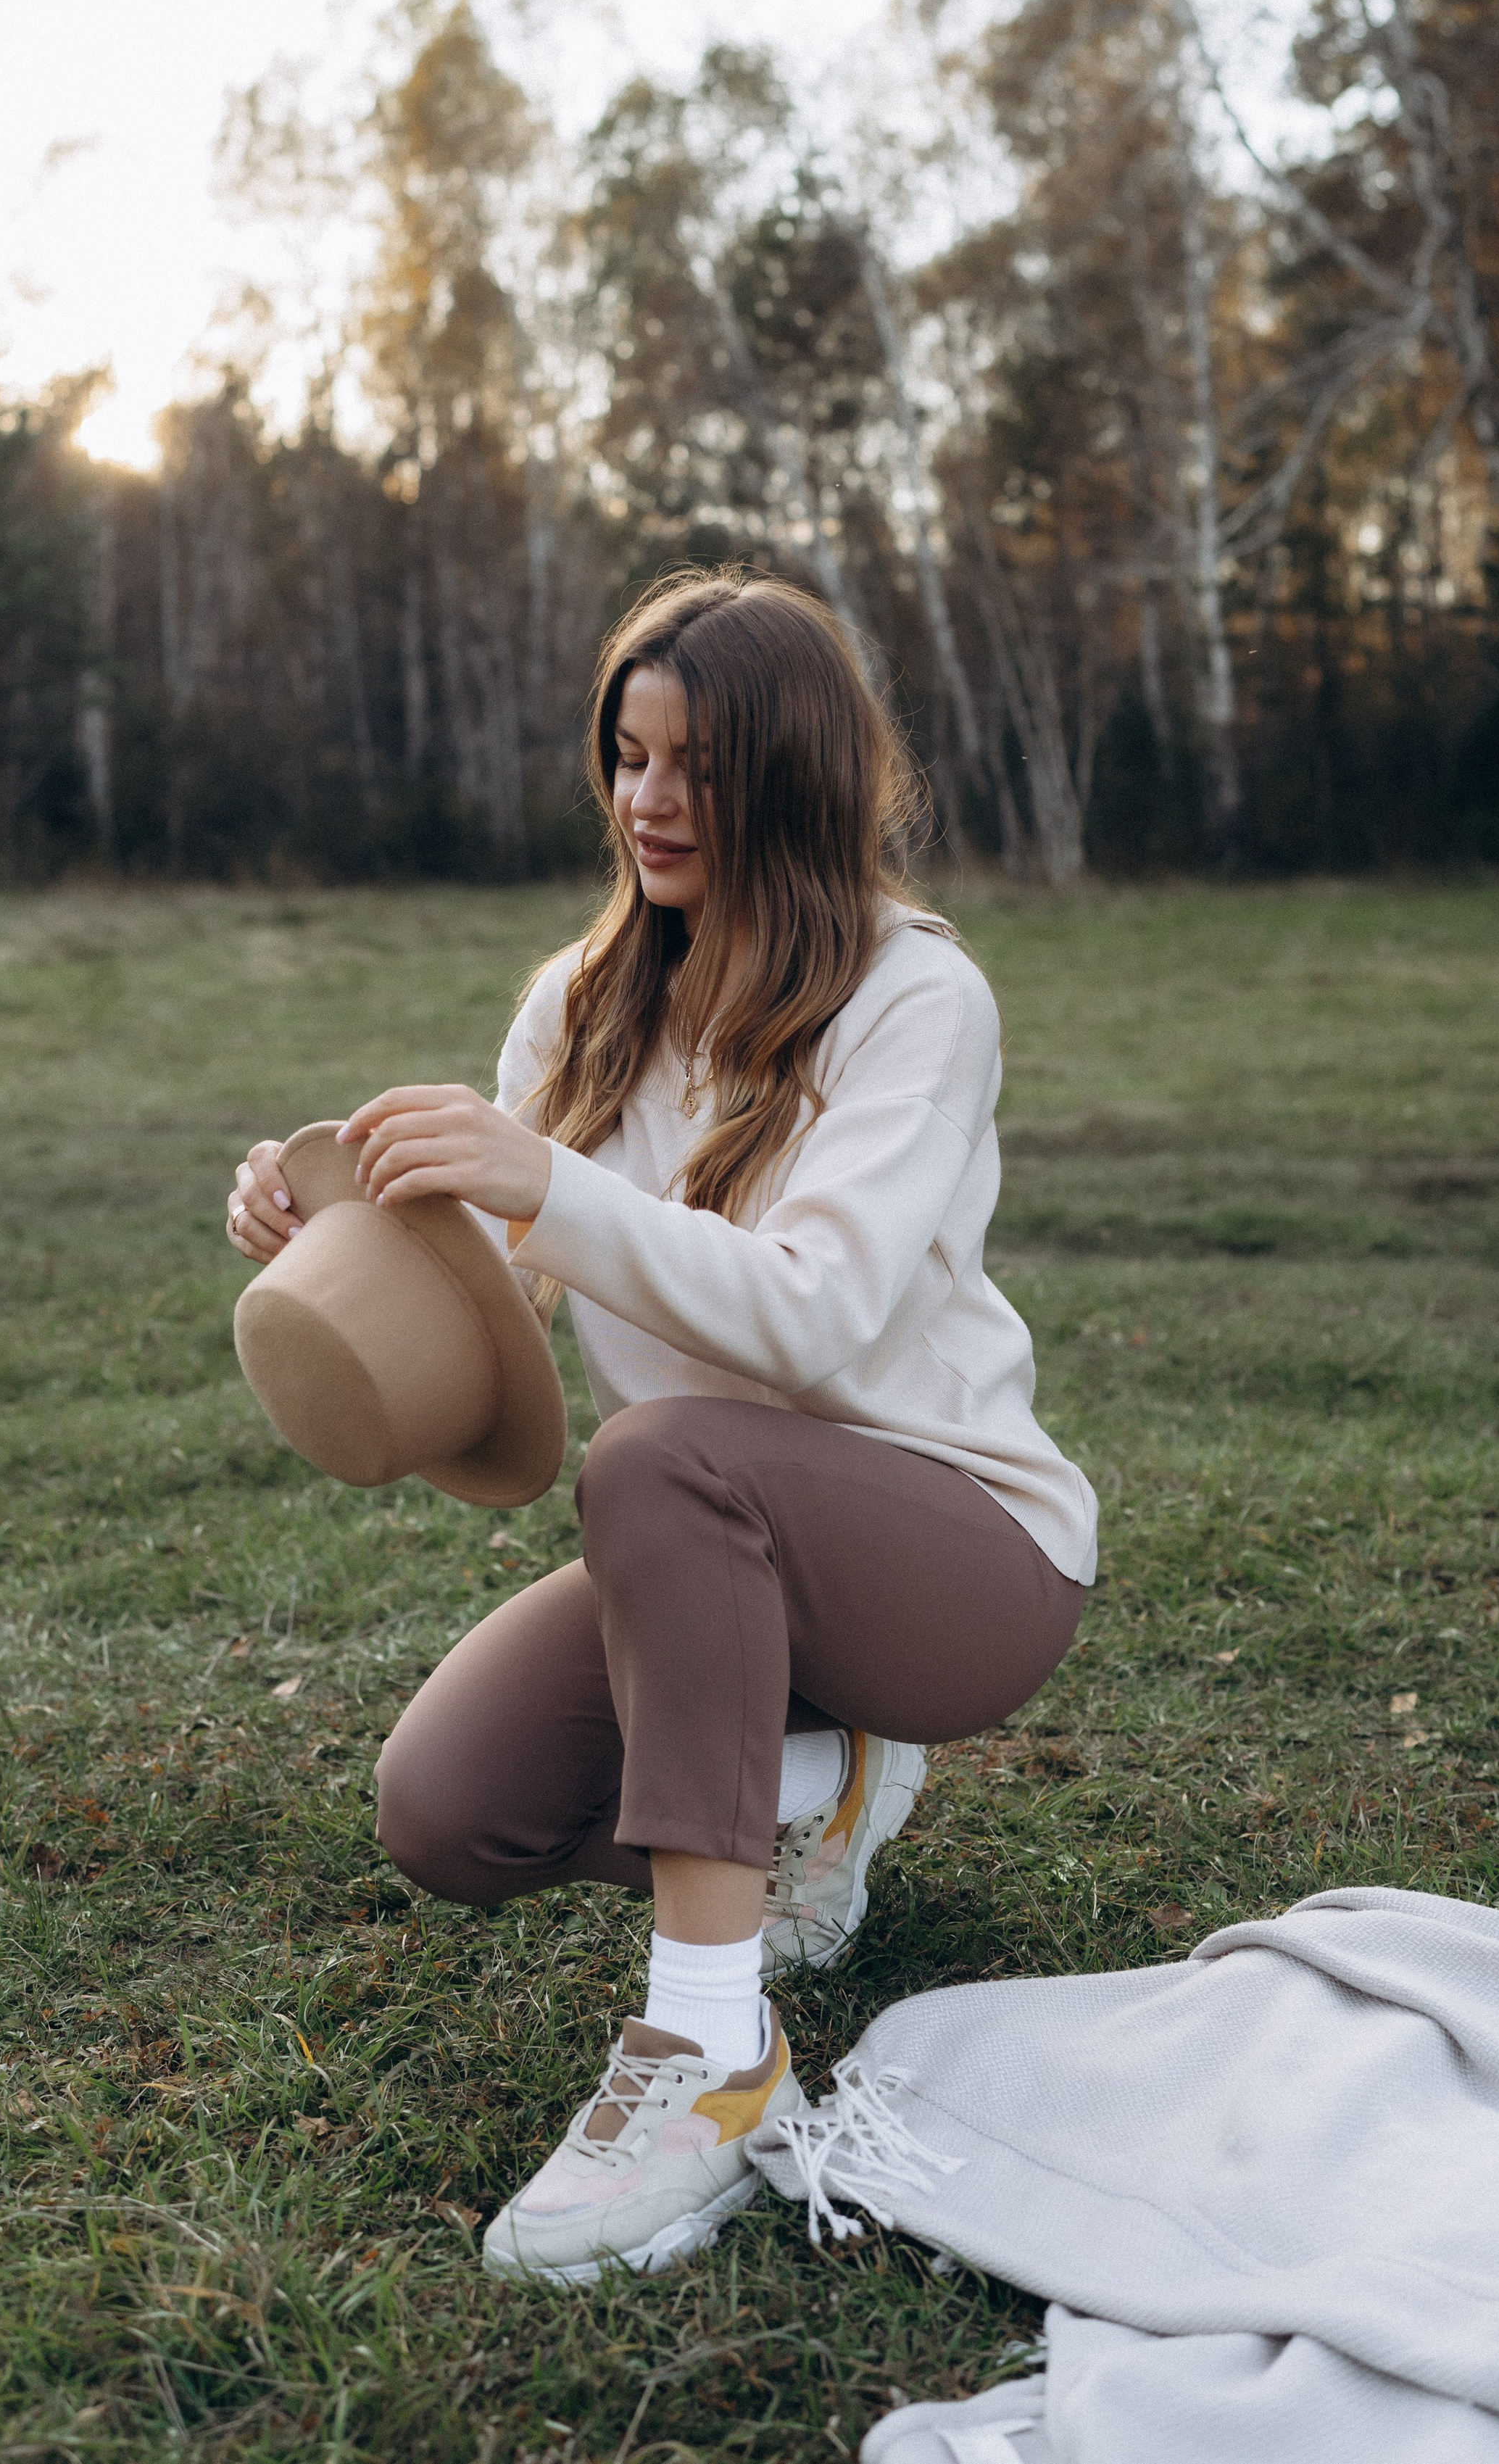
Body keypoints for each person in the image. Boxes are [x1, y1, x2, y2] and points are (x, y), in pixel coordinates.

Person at [224, 570, 1097, 2286]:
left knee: (658, 1455)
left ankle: (709, 2053)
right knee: (444, 1809)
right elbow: (506, 1272)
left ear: (792, 775)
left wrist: (536, 1177)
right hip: (707, 1548)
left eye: (692, 763)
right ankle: (815, 1786)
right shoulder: (579, 1001)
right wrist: (328, 1221)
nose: (646, 801)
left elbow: (811, 1311)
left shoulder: (916, 1000)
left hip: (958, 1553)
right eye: (625, 758)